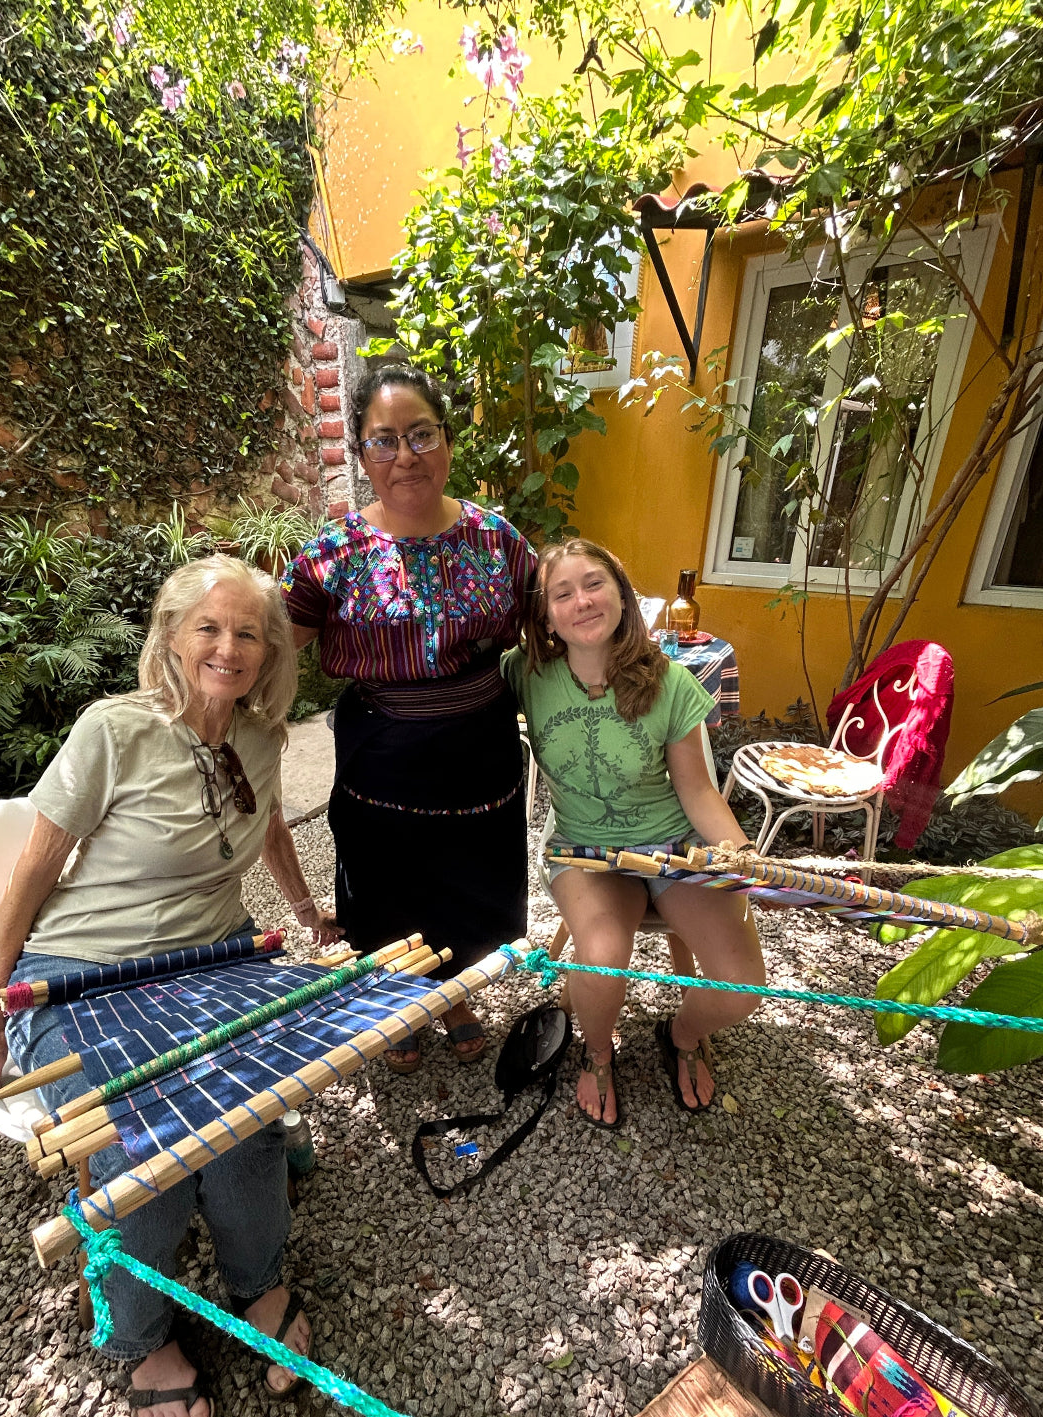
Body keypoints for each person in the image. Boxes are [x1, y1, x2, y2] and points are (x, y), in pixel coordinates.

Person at [0, 555, 340, 1417]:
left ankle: (258, 1280)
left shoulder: (261, 736)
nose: (228, 647)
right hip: (81, 971)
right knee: (149, 1147)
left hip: (211, 961)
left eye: (248, 632)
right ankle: (140, 1334)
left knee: (243, 1120)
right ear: (170, 638)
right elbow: (33, 872)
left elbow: (271, 823)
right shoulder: (113, 730)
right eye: (207, 627)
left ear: (270, 652)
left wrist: (306, 910)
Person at [281, 363, 536, 1071]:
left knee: (467, 885)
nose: (404, 456)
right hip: (382, 753)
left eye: (420, 434)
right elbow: (271, 644)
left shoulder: (498, 542)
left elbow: (554, 626)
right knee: (387, 885)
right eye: (382, 440)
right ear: (362, 455)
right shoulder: (331, 555)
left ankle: (451, 993)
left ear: (447, 441)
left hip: (478, 748)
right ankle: (397, 1005)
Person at [503, 538, 765, 1127]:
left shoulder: (669, 682)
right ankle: (597, 1054)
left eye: (594, 583)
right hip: (585, 852)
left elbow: (698, 791)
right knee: (600, 956)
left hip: (674, 849)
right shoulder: (525, 674)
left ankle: (682, 1034)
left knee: (743, 984)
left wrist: (739, 850)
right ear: (545, 616)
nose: (582, 601)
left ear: (622, 593)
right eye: (561, 593)